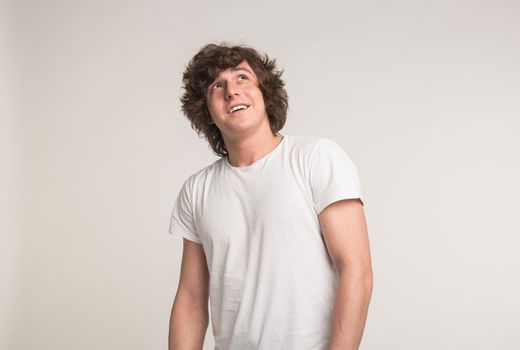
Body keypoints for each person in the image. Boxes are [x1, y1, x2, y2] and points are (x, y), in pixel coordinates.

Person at [168, 42, 373, 350]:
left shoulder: (316, 158)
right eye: (217, 86)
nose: (231, 91)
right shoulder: (196, 190)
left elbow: (356, 270)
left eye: (242, 78)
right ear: (207, 111)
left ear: (265, 92)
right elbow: (192, 298)